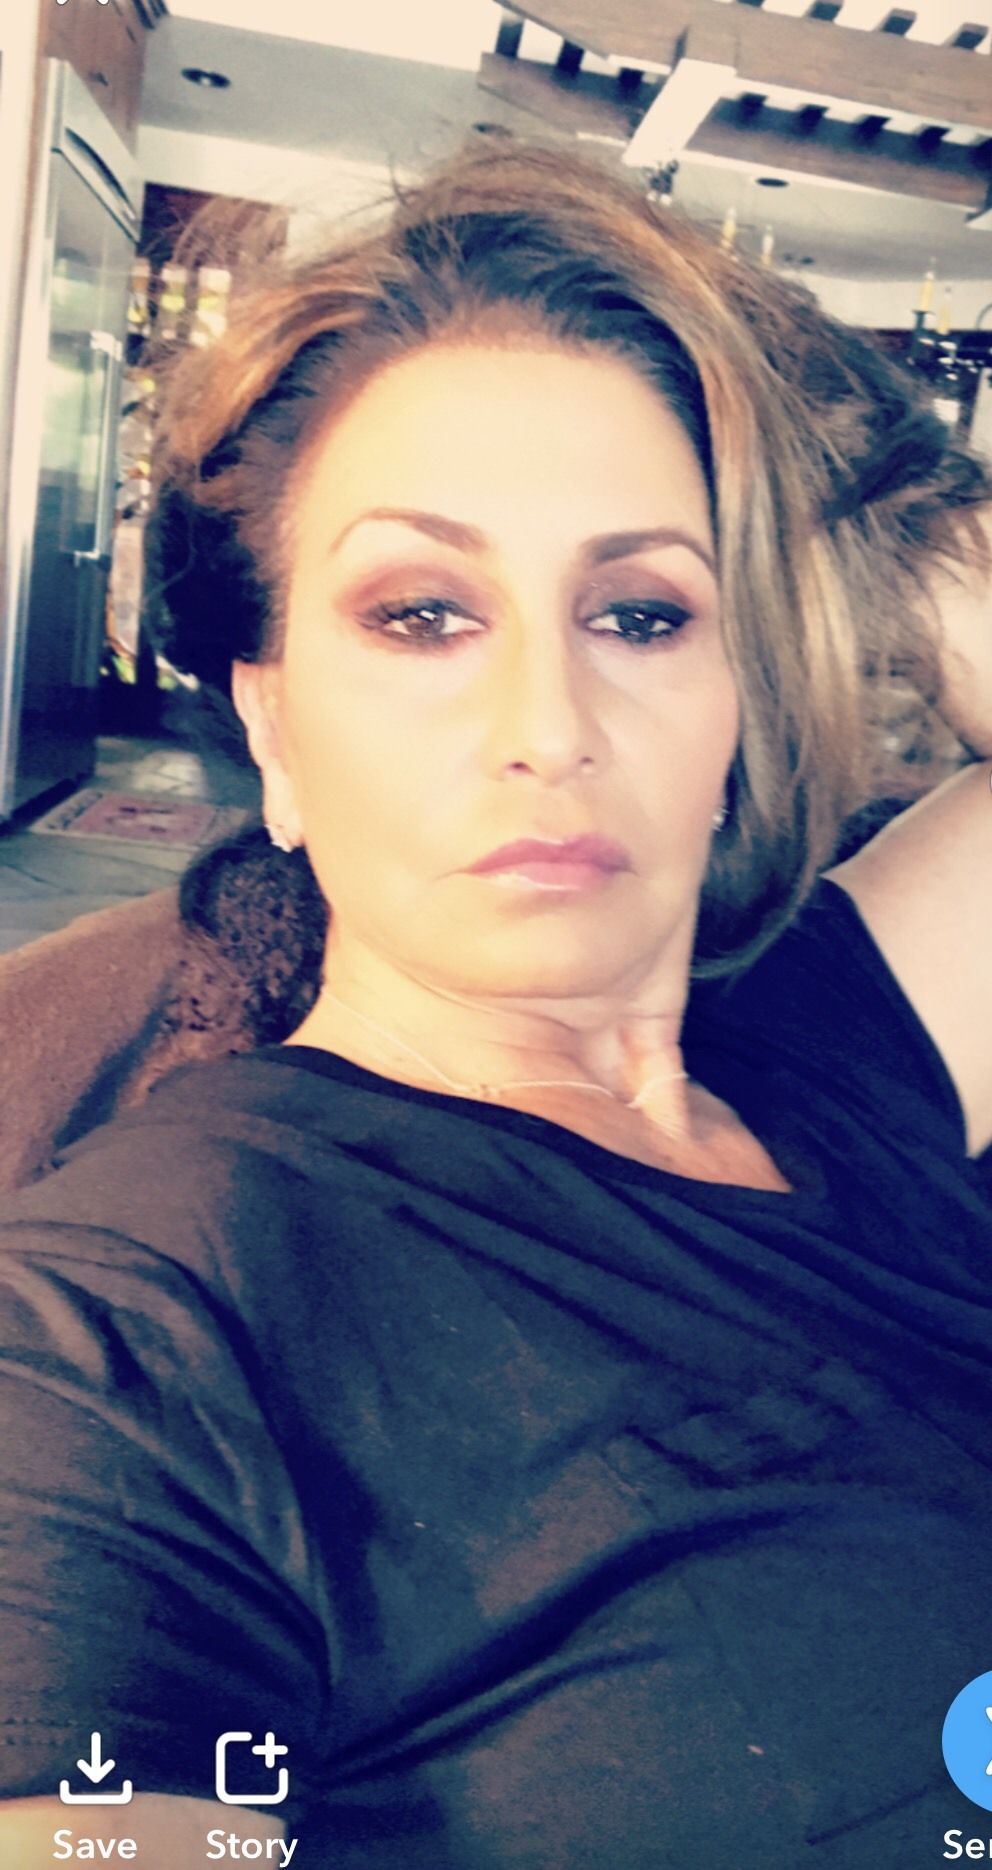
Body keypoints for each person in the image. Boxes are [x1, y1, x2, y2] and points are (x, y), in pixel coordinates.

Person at [0, 132, 990, 1870]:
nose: (550, 723)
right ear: (273, 722)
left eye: (642, 613)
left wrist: (848, 456)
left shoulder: (844, 1042)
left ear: (740, 710)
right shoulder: (127, 1333)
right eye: (423, 613)